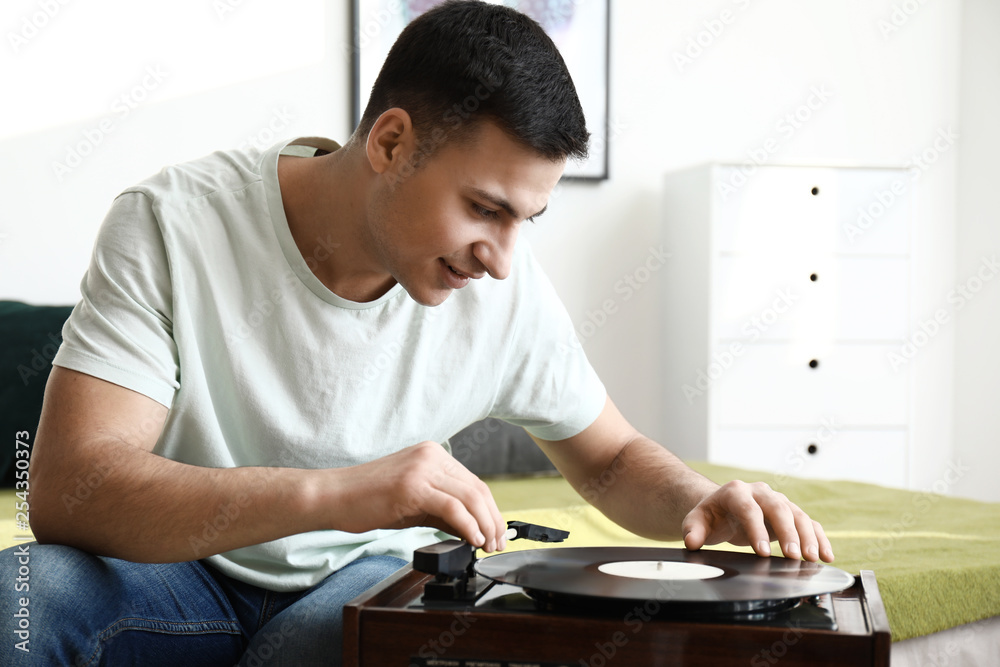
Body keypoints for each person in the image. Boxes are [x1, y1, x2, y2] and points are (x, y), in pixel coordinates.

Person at [2, 1, 833, 664]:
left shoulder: (506, 293)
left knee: (414, 646)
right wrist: (349, 492)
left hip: (363, 584)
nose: (503, 260)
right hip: (172, 573)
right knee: (19, 601)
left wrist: (700, 498)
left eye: (528, 220)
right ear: (392, 142)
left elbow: (610, 457)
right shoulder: (173, 224)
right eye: (486, 209)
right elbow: (73, 489)